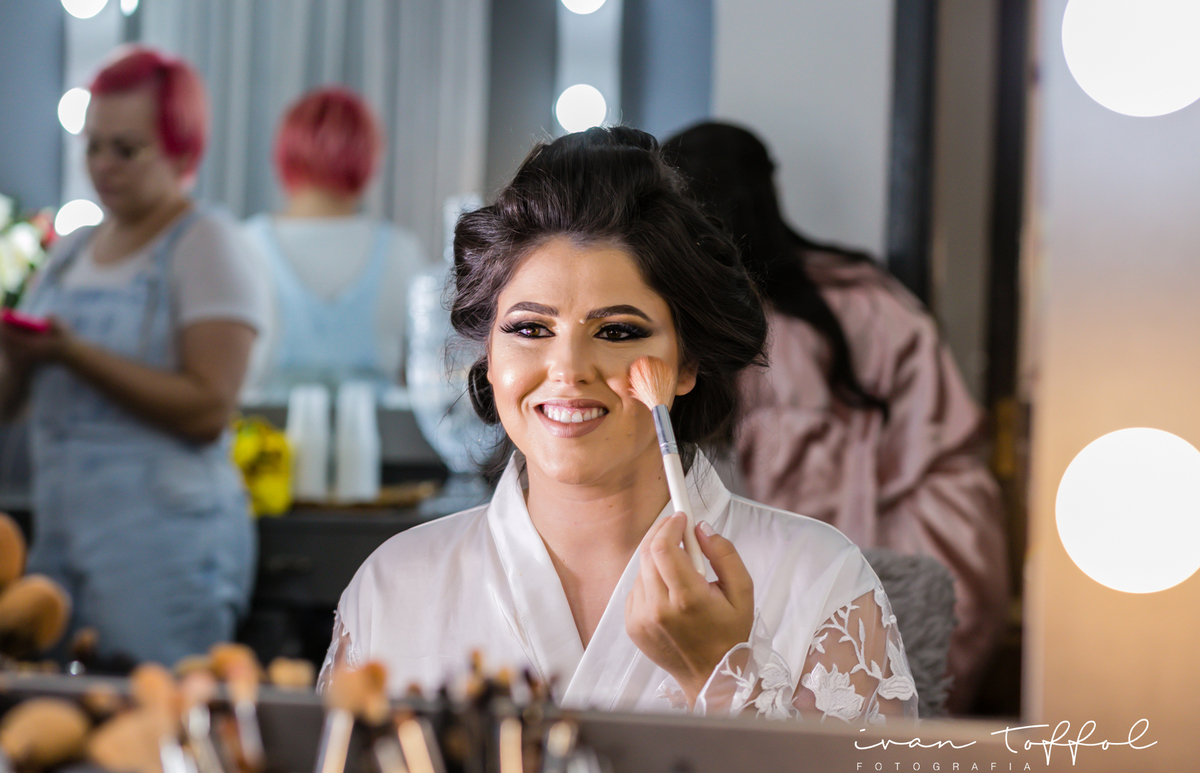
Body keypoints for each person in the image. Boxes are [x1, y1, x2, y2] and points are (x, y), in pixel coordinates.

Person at [321, 127, 918, 723]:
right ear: (489, 355)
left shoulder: (819, 581)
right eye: (530, 329)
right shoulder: (392, 586)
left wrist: (720, 675)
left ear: (686, 363)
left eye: (617, 331)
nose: (568, 369)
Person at [662, 121, 1009, 713]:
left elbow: (808, 506)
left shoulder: (783, 331)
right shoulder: (866, 292)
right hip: (958, 532)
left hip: (895, 543)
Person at [0, 46, 263, 666]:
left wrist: (73, 354)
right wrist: (20, 357)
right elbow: (10, 404)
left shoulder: (206, 243)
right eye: (93, 146)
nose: (102, 165)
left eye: (126, 149)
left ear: (181, 150)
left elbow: (208, 408)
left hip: (162, 554)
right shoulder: (72, 250)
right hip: (62, 543)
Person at [241, 86, 426, 399]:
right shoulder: (403, 251)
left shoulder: (244, 245)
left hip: (263, 429)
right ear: (369, 158)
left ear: (284, 152)